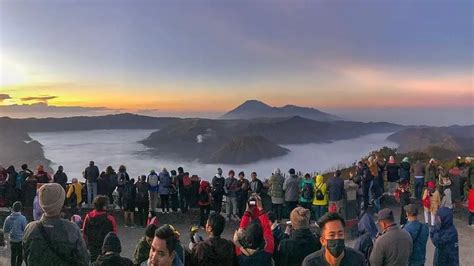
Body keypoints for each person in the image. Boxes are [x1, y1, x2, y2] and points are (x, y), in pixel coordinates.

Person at [23, 183, 90, 265]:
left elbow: (26, 256)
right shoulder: (71, 228)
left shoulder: (30, 228)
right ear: (60, 203)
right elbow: (83, 260)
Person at [233, 195, 274, 266]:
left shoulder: (239, 250)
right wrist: (260, 209)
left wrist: (247, 211)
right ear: (262, 238)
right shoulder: (268, 249)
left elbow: (241, 231)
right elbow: (267, 228)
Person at [83, 195, 117, 261]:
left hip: (92, 245)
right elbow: (114, 233)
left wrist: (86, 244)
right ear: (104, 206)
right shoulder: (110, 218)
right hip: (106, 246)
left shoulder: (88, 216)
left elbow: (84, 232)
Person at [3, 201, 27, 266]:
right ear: (20, 209)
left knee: (13, 256)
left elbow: (5, 230)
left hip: (12, 240)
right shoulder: (22, 218)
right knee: (20, 256)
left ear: (13, 208)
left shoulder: (8, 218)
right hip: (20, 240)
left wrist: (7, 241)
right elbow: (25, 230)